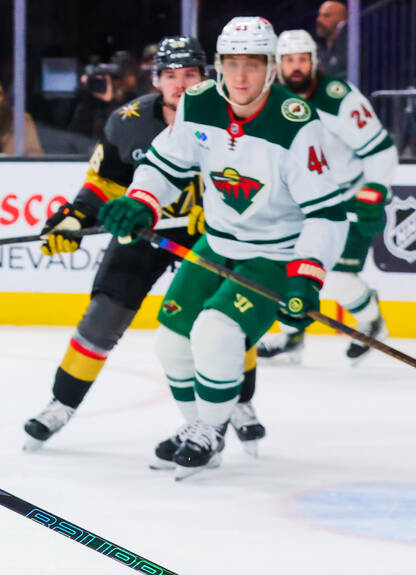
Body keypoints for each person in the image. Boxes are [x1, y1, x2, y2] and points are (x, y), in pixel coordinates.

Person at [97, 17, 347, 479]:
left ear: (270, 68)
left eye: (253, 64)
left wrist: (307, 276)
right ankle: (197, 425)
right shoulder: (199, 103)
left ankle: (211, 431)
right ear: (218, 66)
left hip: (274, 254)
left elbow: (327, 214)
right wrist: (141, 202)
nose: (241, 76)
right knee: (171, 339)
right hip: (217, 243)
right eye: (232, 63)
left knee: (215, 332)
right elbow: (166, 163)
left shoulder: (298, 124)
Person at [25, 36, 265, 455]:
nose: (180, 85)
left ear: (206, 77)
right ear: (156, 80)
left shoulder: (233, 117)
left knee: (227, 318)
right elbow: (103, 185)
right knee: (103, 315)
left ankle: (240, 403)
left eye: (190, 75)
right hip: (145, 228)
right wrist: (73, 218)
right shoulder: (129, 120)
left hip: (214, 234)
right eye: (170, 76)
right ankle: (61, 404)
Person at [257, 29, 397, 363]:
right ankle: (292, 336)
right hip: (298, 203)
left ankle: (371, 320)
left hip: (346, 199)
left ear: (314, 61)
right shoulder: (271, 100)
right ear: (277, 64)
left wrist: (374, 191)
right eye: (288, 60)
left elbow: (381, 151)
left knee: (334, 277)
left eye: (302, 60)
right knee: (288, 269)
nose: (295, 67)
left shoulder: (340, 99)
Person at [314, 1, 348, 80]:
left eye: (326, 16)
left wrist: (343, 29)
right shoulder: (318, 47)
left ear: (341, 21)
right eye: (319, 15)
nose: (319, 19)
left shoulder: (349, 47)